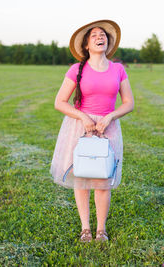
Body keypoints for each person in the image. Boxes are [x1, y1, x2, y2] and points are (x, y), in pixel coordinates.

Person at [50, 20, 134, 242]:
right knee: (83, 178)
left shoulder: (118, 69)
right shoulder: (76, 69)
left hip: (108, 128)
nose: (100, 37)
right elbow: (59, 102)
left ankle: (101, 230)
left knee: (102, 179)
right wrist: (83, 117)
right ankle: (85, 228)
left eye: (103, 35)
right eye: (95, 35)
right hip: (81, 127)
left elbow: (128, 103)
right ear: (86, 45)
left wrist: (111, 116)